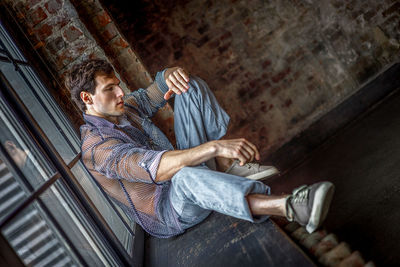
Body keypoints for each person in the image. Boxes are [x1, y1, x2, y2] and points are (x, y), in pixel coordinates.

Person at [65, 59, 335, 238]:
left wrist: (171, 74)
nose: (121, 93)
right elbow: (157, 169)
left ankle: (222, 173)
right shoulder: (96, 149)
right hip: (169, 211)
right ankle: (290, 206)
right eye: (110, 89)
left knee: (188, 86)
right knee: (181, 173)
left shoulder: (126, 109)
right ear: (87, 98)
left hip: (187, 179)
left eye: (118, 85)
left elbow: (159, 86)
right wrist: (215, 147)